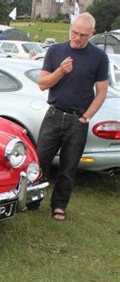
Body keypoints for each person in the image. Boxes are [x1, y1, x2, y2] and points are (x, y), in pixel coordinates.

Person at [36, 13, 109, 221]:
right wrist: (60, 71)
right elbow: (43, 84)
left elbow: (102, 91)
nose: (77, 38)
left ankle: (59, 205)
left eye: (83, 35)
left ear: (92, 34)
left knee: (68, 167)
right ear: (71, 28)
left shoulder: (99, 57)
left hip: (78, 121)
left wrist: (86, 117)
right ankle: (33, 200)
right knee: (40, 162)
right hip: (53, 115)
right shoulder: (56, 50)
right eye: (75, 32)